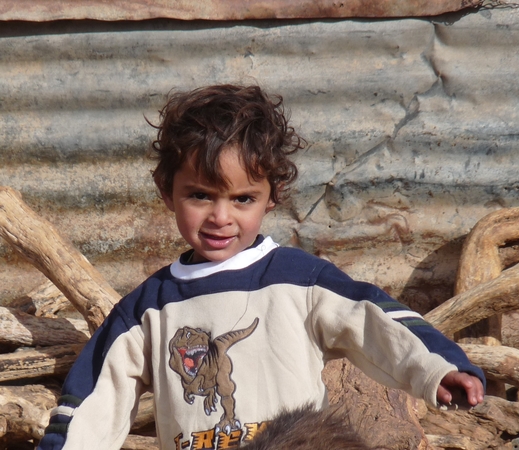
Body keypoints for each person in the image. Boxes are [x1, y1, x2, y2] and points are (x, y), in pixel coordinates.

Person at [38, 84, 485, 450]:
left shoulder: (299, 280)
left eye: (242, 199)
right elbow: (96, 397)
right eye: (200, 195)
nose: (220, 217)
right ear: (166, 190)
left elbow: (376, 320)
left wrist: (439, 368)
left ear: (272, 197)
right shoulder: (148, 309)